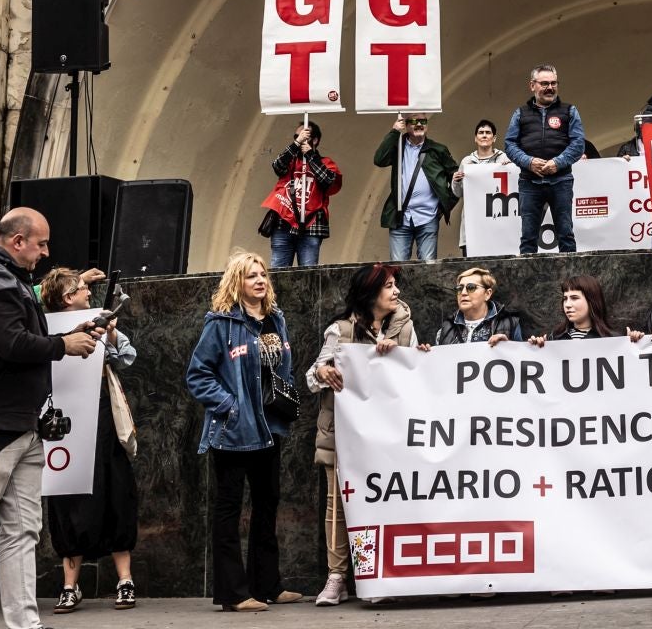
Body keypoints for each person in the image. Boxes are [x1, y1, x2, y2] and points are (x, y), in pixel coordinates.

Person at [0, 208, 106, 629]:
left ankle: (25, 624)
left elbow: (17, 339)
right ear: (17, 241)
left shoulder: (7, 278)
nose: (46, 253)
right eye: (41, 244)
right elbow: (10, 343)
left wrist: (69, 333)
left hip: (21, 426)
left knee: (23, 531)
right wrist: (64, 344)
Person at [184, 251, 303, 613]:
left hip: (270, 428)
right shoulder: (220, 324)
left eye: (263, 273)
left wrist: (286, 396)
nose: (260, 280)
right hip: (233, 432)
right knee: (229, 510)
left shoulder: (275, 319)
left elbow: (286, 366)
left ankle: (267, 585)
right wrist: (229, 406)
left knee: (268, 505)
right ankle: (233, 593)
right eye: (252, 275)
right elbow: (197, 375)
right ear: (237, 282)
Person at [308, 263, 413, 607]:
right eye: (388, 286)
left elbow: (420, 373)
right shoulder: (340, 330)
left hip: (389, 435)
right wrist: (325, 371)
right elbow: (312, 376)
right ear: (370, 294)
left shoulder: (405, 327)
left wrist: (399, 354)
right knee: (336, 506)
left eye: (396, 285)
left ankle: (375, 575)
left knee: (381, 504)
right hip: (343, 435)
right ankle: (337, 578)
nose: (396, 292)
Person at [41, 267, 140, 613]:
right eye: (82, 288)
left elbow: (127, 356)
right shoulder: (44, 329)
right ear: (68, 298)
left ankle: (124, 579)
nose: (88, 292)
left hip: (101, 420)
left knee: (116, 492)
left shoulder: (99, 321)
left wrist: (110, 336)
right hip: (63, 426)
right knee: (68, 501)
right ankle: (70, 584)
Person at [504, 65, 586, 255]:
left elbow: (578, 144)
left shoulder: (570, 111)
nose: (550, 87)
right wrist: (528, 161)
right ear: (532, 85)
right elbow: (509, 144)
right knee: (528, 238)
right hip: (529, 182)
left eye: (553, 83)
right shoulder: (520, 113)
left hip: (561, 181)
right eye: (544, 83)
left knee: (566, 234)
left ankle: (571, 282)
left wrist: (557, 163)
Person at [258, 119, 343, 269]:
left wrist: (310, 155)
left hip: (311, 226)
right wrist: (296, 144)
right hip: (283, 224)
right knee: (279, 272)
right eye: (297, 136)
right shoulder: (291, 161)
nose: (301, 138)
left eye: (306, 136)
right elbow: (277, 166)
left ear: (315, 140)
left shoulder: (326, 162)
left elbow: (328, 181)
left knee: (308, 273)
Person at [374, 113, 458, 262]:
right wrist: (394, 132)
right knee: (398, 267)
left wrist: (444, 205)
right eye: (413, 121)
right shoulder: (398, 147)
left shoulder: (438, 149)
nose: (419, 124)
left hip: (428, 217)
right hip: (401, 217)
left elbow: (457, 178)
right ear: (405, 126)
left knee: (428, 267)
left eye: (422, 121)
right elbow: (379, 160)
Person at [422, 268, 526, 347]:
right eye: (459, 288)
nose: (463, 293)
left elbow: (520, 362)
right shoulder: (446, 327)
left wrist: (507, 347)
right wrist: (424, 356)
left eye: (471, 287)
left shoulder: (510, 323)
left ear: (487, 294)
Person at [451, 119, 506, 255]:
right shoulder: (467, 161)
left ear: (494, 138)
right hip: (472, 226)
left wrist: (509, 168)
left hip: (497, 225)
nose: (484, 135)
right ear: (476, 138)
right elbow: (458, 193)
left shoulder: (503, 159)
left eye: (488, 133)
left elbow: (507, 189)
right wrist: (456, 181)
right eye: (481, 133)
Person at [531, 275, 621, 343]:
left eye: (574, 298)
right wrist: (536, 349)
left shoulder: (612, 339)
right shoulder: (554, 338)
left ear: (592, 301)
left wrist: (633, 344)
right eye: (565, 299)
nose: (567, 305)